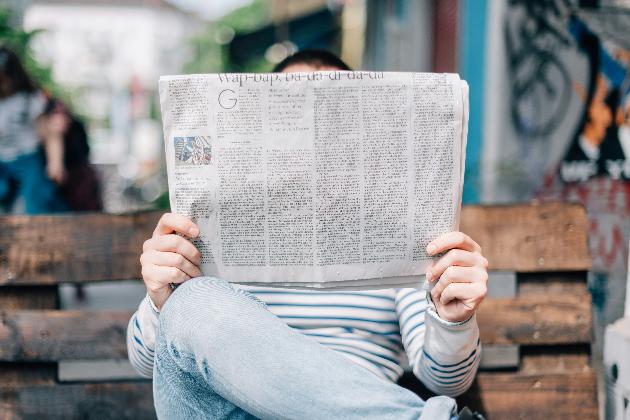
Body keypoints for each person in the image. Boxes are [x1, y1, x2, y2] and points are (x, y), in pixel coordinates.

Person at [127, 50, 488, 420]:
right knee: (192, 301)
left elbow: (446, 381)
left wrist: (453, 320)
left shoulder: (399, 232)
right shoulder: (206, 231)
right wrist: (161, 300)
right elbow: (148, 364)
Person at [0, 46, 67, 214]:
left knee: (35, 200)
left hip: (27, 158)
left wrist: (55, 163)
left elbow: (51, 134)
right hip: (2, 160)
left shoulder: (29, 99)